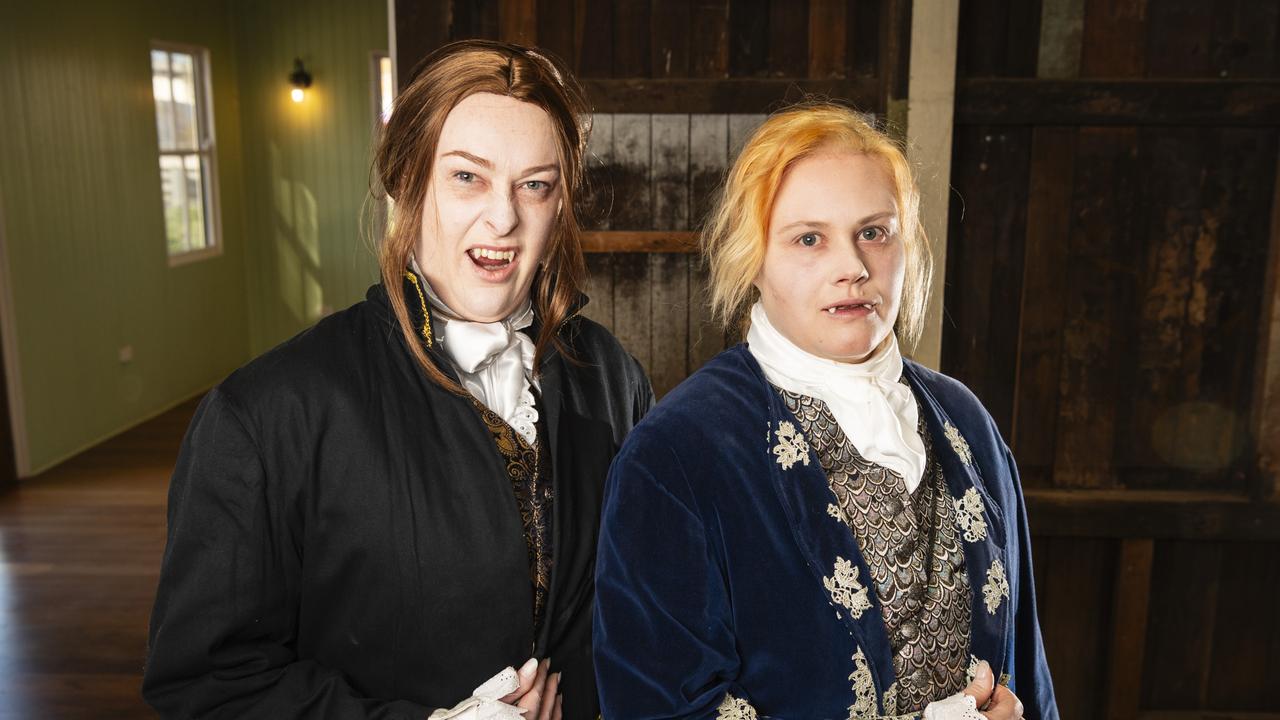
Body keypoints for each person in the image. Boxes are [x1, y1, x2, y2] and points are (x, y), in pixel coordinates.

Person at [143, 40, 652, 720]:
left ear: (559, 205)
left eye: (535, 184)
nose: (503, 218)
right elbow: (207, 686)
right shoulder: (266, 414)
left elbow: (642, 603)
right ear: (407, 180)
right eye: (467, 177)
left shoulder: (612, 376)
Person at [593, 104, 1057, 719]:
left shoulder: (965, 420)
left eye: (874, 232)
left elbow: (1027, 666)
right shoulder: (677, 454)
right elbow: (656, 708)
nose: (853, 268)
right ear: (753, 257)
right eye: (809, 239)